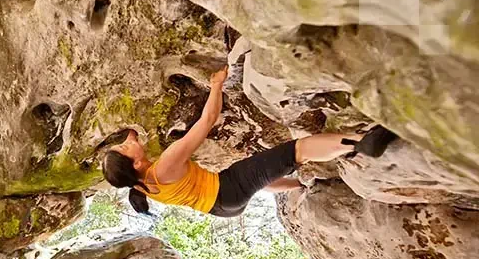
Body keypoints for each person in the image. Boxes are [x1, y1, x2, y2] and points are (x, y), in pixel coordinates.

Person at [102, 66, 397, 217]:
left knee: (259, 179)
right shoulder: (165, 164)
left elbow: (131, 146)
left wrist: (131, 139)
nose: (127, 142)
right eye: (125, 149)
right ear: (136, 162)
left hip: (223, 209)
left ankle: (303, 183)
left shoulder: (141, 188)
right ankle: (362, 143)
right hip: (227, 189)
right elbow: (207, 120)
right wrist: (216, 85)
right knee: (297, 150)